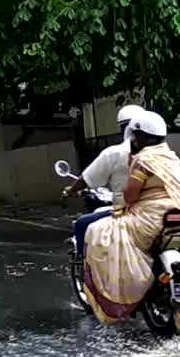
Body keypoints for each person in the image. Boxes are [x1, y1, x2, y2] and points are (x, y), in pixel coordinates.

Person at [82, 110, 180, 324]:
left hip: (150, 220)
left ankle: (125, 290)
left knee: (98, 231)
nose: (132, 140)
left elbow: (131, 196)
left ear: (141, 137)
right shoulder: (172, 158)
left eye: (135, 136)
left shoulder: (143, 160)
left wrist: (123, 204)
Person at [62, 104, 143, 255]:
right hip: (162, 212)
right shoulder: (166, 155)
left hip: (129, 212)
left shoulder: (116, 153)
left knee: (81, 224)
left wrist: (72, 189)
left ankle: (89, 272)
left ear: (123, 128)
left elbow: (87, 179)